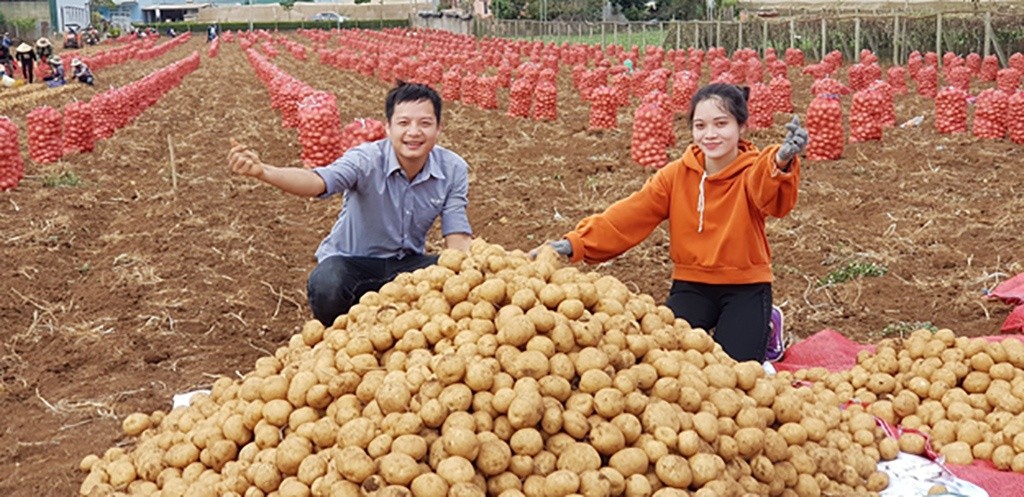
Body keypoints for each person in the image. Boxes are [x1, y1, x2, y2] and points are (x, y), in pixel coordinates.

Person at [535, 83, 808, 363]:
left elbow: (768, 191)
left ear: (742, 127)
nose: (710, 134)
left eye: (721, 124)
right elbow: (631, 214)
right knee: (664, 359)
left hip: (746, 287)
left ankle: (766, 326)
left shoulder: (753, 170)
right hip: (692, 285)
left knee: (735, 370)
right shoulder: (676, 175)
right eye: (700, 125)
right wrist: (575, 242)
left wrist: (781, 161)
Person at [227, 81, 474, 327]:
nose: (414, 132)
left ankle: (407, 327)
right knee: (328, 282)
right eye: (403, 123)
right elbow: (317, 181)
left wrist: (465, 276)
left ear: (439, 128)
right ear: (388, 128)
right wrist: (264, 172)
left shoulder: (453, 169)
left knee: (452, 270)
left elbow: (457, 235)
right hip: (354, 264)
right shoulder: (366, 159)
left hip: (406, 266)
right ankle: (341, 333)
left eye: (425, 123)